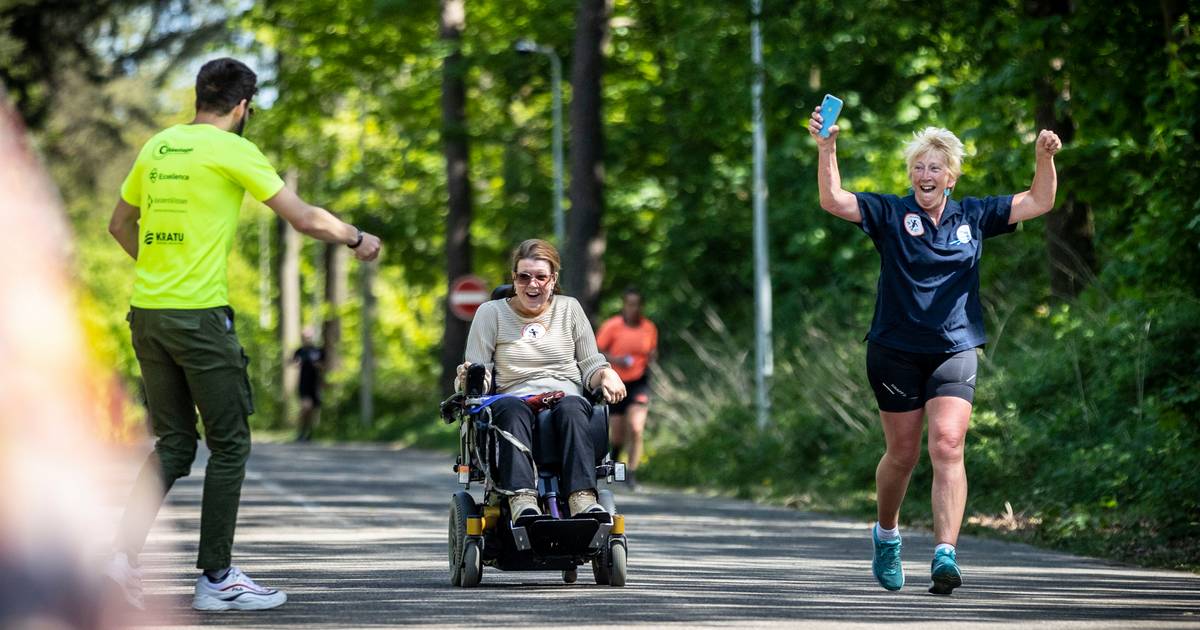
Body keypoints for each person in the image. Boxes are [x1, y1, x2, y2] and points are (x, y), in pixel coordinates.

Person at [104, 57, 382, 612]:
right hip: (200, 319)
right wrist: (356, 237)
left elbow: (118, 225)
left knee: (175, 445)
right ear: (242, 106)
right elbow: (303, 217)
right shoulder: (232, 149)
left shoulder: (158, 146)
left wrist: (160, 274)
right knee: (229, 444)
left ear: (199, 97)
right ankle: (217, 577)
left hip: (148, 315)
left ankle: (118, 560)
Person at [808, 105, 1061, 595]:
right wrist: (827, 147)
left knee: (947, 444)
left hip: (954, 347)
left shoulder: (974, 215)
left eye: (935, 167)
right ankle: (886, 535)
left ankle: (946, 553)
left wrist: (1044, 158)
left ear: (951, 177)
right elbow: (834, 200)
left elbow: (1039, 201)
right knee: (902, 455)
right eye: (919, 167)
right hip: (895, 349)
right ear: (911, 175)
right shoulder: (891, 213)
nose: (926, 174)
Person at [455, 239, 626, 520]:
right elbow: (478, 372)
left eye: (540, 277)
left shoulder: (569, 309)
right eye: (523, 276)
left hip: (564, 395)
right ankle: (522, 499)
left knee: (573, 407)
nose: (532, 284)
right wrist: (470, 379)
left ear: (553, 279)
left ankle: (582, 498)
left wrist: (606, 373)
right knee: (510, 408)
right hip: (513, 397)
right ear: (514, 278)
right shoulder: (491, 313)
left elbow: (590, 365)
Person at [596, 288, 658, 490]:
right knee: (617, 434)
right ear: (624, 305)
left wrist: (651, 359)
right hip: (615, 382)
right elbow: (597, 351)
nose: (634, 308)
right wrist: (616, 360)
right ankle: (614, 465)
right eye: (630, 304)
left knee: (636, 428)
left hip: (639, 382)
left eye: (637, 304)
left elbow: (652, 352)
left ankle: (631, 474)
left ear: (642, 306)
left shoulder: (649, 328)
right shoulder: (612, 326)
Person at [293, 328, 325, 442]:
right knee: (306, 407)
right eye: (305, 337)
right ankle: (300, 432)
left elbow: (325, 366)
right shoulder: (300, 351)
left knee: (313, 411)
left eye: (309, 337)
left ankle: (309, 433)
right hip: (304, 384)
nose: (307, 339)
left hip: (315, 385)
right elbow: (293, 362)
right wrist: (297, 363)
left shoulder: (318, 351)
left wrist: (317, 365)